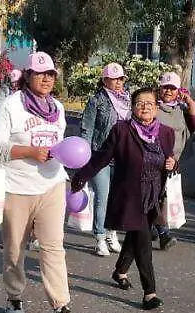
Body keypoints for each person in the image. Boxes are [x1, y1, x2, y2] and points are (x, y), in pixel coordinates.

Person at [0, 51, 83, 313]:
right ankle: (14, 297)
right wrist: (29, 151)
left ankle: (60, 309)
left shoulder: (58, 109)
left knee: (53, 247)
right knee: (15, 249)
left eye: (50, 74)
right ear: (27, 76)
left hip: (51, 185)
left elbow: (60, 145)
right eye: (40, 74)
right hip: (17, 188)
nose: (46, 79)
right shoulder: (10, 105)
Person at [71, 87, 176, 310]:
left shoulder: (166, 133)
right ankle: (150, 292)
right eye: (139, 103)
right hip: (130, 197)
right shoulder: (121, 130)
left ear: (156, 107)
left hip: (153, 196)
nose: (145, 106)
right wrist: (81, 176)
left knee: (135, 237)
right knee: (143, 240)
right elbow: (102, 157)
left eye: (149, 102)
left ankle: (119, 271)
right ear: (132, 108)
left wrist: (172, 164)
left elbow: (169, 161)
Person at [79, 62, 130, 257]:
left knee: (118, 197)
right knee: (103, 197)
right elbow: (87, 128)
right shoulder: (96, 100)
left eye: (121, 78)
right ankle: (99, 236)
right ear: (104, 80)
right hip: (101, 155)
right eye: (114, 78)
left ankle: (111, 232)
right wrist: (85, 156)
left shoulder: (127, 99)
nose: (118, 82)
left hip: (123, 156)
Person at [154, 72, 195, 250]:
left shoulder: (181, 110)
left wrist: (189, 100)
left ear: (177, 91)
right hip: (153, 159)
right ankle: (163, 233)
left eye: (172, 88)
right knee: (155, 196)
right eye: (165, 87)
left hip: (174, 161)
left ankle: (153, 226)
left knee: (163, 196)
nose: (168, 91)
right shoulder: (153, 107)